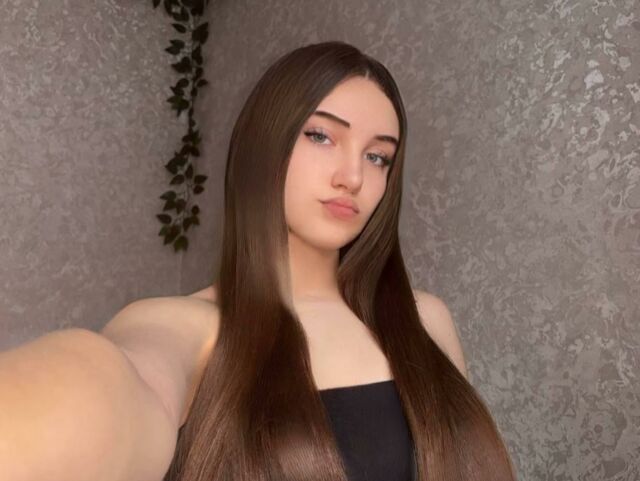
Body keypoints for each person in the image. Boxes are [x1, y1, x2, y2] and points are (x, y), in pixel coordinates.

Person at [0, 41, 517, 481]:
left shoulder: (426, 321)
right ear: (265, 142)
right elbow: (110, 387)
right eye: (321, 136)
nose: (353, 177)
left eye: (377, 155)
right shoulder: (189, 328)